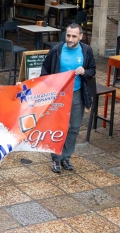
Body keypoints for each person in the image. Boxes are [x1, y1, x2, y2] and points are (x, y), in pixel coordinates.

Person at [40, 23, 96, 173]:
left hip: (77, 94)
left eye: (73, 36)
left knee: (74, 127)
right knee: (58, 127)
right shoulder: (57, 50)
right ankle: (56, 159)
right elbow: (44, 71)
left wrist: (85, 71)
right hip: (59, 96)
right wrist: (51, 85)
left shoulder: (86, 51)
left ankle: (66, 156)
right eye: (68, 35)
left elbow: (92, 70)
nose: (70, 39)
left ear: (81, 37)